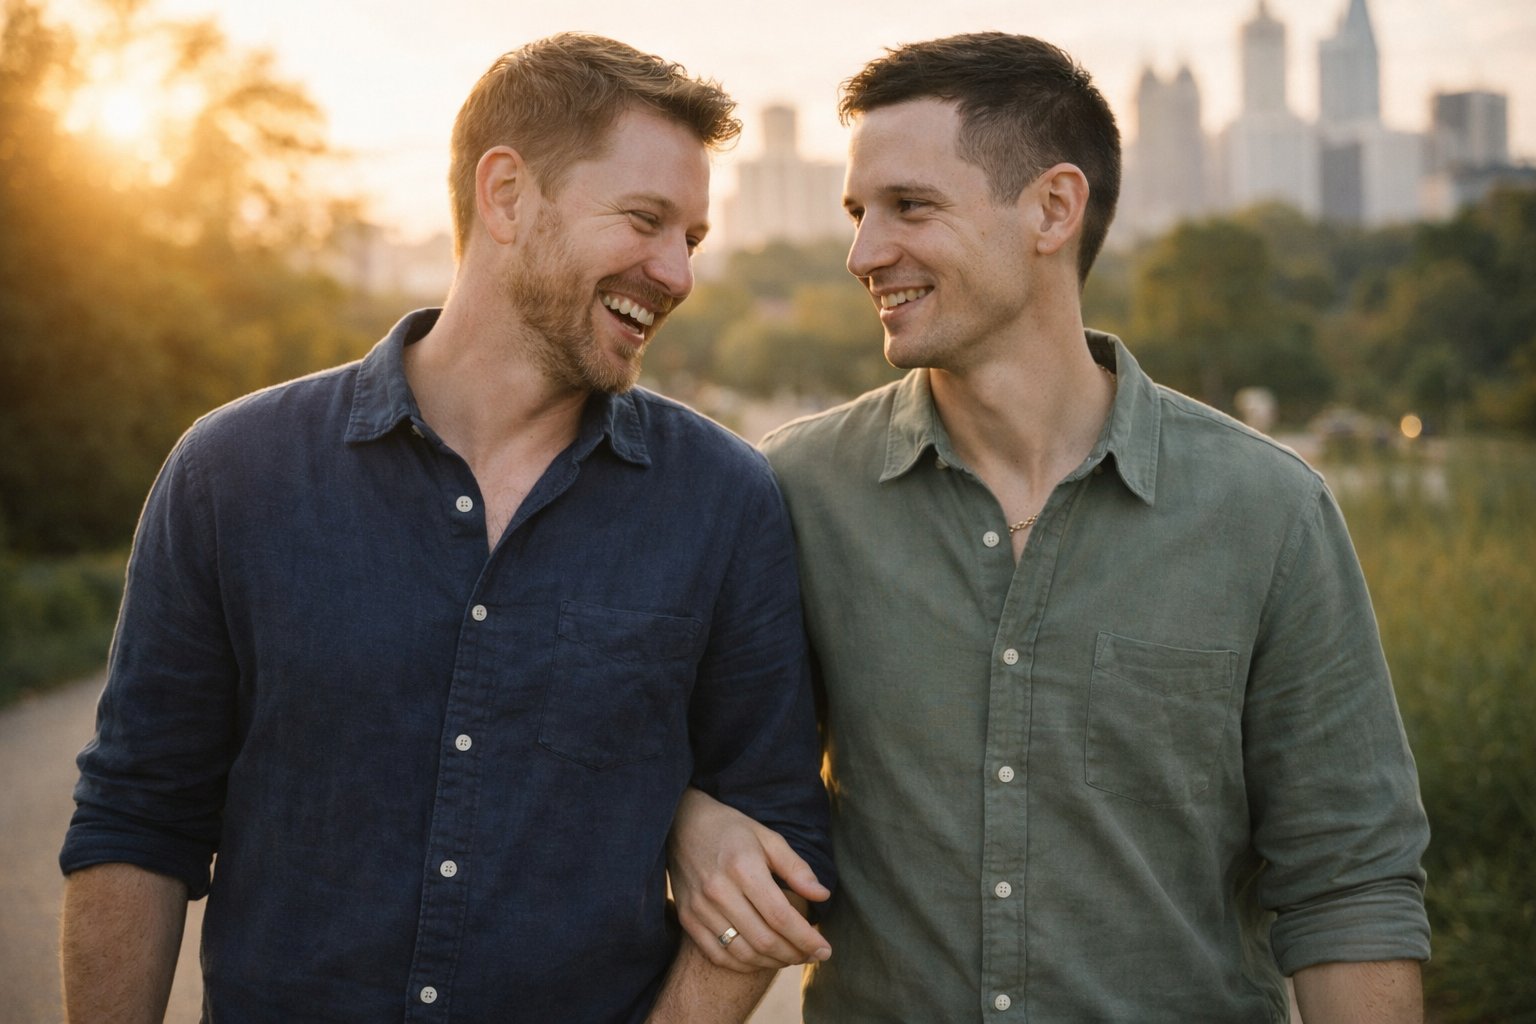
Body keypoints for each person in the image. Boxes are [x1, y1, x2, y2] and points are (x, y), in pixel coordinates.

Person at [58, 33, 832, 1023]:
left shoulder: (724, 500)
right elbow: (139, 814)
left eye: (693, 237)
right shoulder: (233, 471)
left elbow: (776, 820)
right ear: (505, 194)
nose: (677, 272)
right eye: (646, 221)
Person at [668, 32, 1430, 1022]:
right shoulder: (793, 490)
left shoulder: (1269, 513)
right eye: (859, 214)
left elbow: (1349, 880)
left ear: (1053, 209)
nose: (864, 253)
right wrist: (690, 819)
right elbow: (671, 752)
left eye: (910, 206)